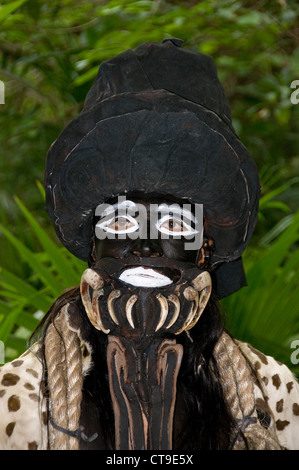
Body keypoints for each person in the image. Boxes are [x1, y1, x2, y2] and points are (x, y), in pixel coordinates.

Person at [0, 39, 298, 451]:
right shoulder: (19, 402)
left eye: (175, 224)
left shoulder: (274, 396)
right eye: (120, 221)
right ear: (93, 244)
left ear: (205, 249)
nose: (143, 247)